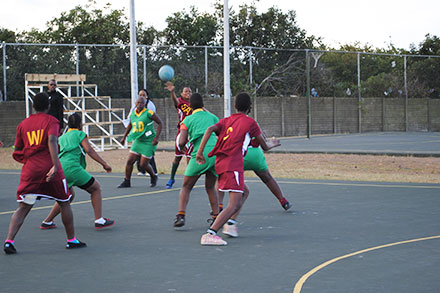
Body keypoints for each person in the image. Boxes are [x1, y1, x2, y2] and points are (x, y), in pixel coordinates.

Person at [4, 92, 86, 254]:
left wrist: (29, 162)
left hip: (30, 170)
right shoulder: (52, 121)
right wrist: (55, 166)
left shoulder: (23, 125)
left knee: (24, 206)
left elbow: (17, 151)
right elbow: (52, 140)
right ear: (48, 106)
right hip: (50, 168)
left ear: (33, 106)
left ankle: (9, 241)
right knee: (64, 202)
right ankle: (71, 240)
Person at [196, 92, 280, 245]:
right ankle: (210, 233)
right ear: (250, 108)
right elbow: (265, 146)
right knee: (234, 203)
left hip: (221, 163)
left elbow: (208, 130)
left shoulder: (226, 120)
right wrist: (273, 143)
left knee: (244, 192)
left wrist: (200, 153)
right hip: (232, 163)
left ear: (234, 106)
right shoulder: (250, 123)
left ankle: (231, 224)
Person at [40, 113, 114, 230]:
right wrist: (104, 164)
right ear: (80, 124)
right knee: (95, 188)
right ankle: (99, 219)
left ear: (68, 124)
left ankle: (47, 221)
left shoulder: (61, 137)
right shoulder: (80, 134)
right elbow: (89, 150)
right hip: (72, 168)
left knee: (68, 196)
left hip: (60, 168)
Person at [216, 135, 291, 238]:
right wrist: (272, 144)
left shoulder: (228, 124)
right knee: (267, 178)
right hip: (255, 155)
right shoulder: (251, 124)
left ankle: (219, 212)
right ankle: (283, 201)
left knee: (223, 181)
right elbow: (263, 143)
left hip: (238, 156)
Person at [173, 93, 220, 228]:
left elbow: (181, 141)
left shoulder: (187, 120)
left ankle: (181, 215)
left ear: (191, 106)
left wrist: (182, 149)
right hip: (214, 154)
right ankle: (216, 216)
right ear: (203, 105)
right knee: (210, 186)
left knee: (186, 186)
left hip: (199, 154)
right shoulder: (212, 117)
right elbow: (220, 134)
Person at [118, 96, 163, 188]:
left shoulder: (149, 113)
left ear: (145, 104)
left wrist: (156, 138)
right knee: (130, 161)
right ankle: (127, 181)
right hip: (138, 140)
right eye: (138, 103)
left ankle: (153, 176)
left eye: (141, 103)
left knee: (143, 165)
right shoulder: (133, 114)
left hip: (149, 141)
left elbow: (160, 123)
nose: (139, 105)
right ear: (135, 104)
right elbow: (130, 125)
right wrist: (124, 137)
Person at [164, 82, 193, 189]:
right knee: (178, 157)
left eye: (190, 91)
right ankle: (171, 178)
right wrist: (172, 92)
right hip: (182, 131)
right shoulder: (180, 102)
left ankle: (189, 181)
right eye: (186, 91)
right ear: (181, 93)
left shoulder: (195, 104)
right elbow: (175, 101)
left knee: (189, 158)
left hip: (192, 133)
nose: (188, 93)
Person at [135, 89, 158, 177]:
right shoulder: (136, 105)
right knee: (137, 151)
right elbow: (131, 116)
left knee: (147, 151)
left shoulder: (150, 106)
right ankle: (142, 170)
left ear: (147, 96)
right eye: (140, 95)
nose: (141, 96)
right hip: (138, 132)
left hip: (147, 132)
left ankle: (153, 170)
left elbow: (153, 118)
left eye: (143, 95)